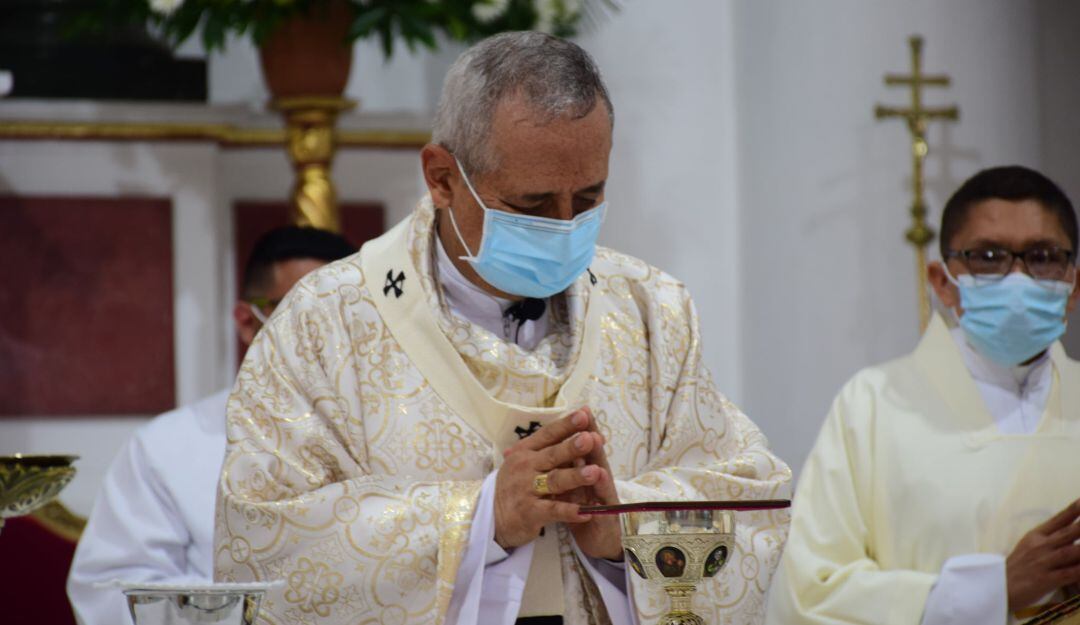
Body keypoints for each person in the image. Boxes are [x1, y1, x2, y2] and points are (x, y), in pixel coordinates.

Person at [214, 31, 791, 625]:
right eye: (533, 205)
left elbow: (752, 500)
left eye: (589, 196)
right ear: (441, 177)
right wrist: (482, 517)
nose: (567, 226)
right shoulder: (324, 321)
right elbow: (265, 540)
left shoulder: (651, 311)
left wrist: (629, 527)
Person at [765, 165, 1080, 625]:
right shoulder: (872, 405)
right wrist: (992, 590)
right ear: (941, 280)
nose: (1018, 278)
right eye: (989, 256)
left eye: (1042, 256)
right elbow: (809, 594)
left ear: (1073, 284)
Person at [67, 226, 356, 625]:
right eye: (298, 312)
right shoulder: (166, 448)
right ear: (245, 320)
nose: (321, 334)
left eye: (341, 314)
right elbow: (110, 591)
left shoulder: (388, 439)